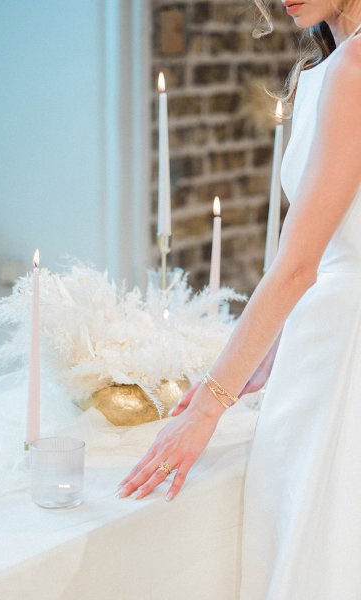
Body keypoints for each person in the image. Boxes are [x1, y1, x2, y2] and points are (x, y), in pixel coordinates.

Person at [116, 1, 361, 597]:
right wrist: (270, 348)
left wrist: (208, 405)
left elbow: (298, 265)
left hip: (341, 358)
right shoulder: (329, 68)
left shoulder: (354, 68)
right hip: (323, 336)